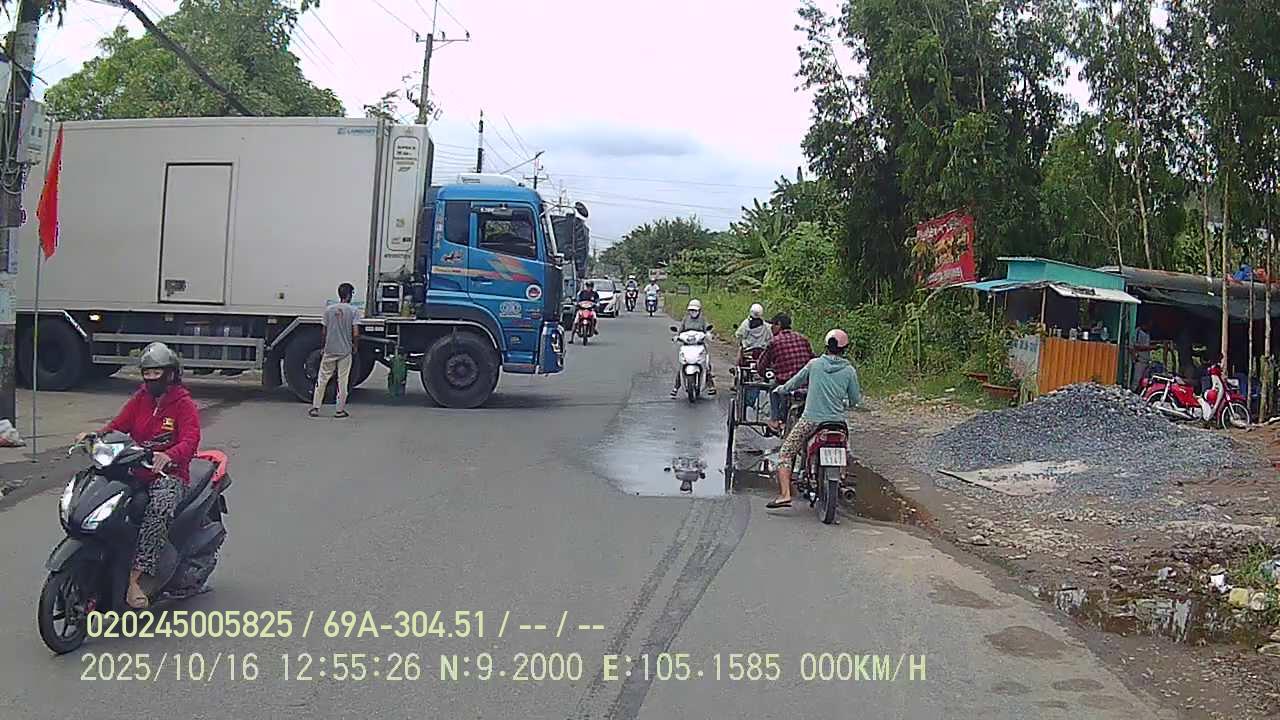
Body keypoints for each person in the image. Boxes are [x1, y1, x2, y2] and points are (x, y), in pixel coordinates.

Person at [76, 342, 200, 609]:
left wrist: (170, 455)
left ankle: (136, 580)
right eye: (147, 373)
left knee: (159, 508)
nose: (152, 378)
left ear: (170, 374)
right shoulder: (140, 399)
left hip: (169, 475)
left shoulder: (183, 404)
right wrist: (95, 436)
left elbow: (191, 440)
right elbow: (118, 426)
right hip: (137, 469)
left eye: (157, 373)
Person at [766, 329, 861, 509]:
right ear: (845, 349)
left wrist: (781, 389)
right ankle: (841, 475)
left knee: (785, 453)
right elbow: (855, 400)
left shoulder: (814, 365)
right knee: (846, 451)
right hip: (837, 423)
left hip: (811, 421)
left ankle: (785, 495)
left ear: (826, 346)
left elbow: (794, 383)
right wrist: (844, 402)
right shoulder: (849, 371)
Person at [757, 313, 815, 432]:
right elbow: (812, 358)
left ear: (778, 325)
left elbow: (761, 366)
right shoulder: (803, 339)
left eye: (773, 325)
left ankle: (775, 420)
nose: (771, 328)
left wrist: (762, 373)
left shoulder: (774, 342)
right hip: (806, 383)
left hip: (787, 383)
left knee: (773, 387)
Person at [310, 282, 360, 419]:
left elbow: (324, 332)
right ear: (349, 295)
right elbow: (356, 333)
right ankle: (339, 410)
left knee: (322, 378)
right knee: (342, 380)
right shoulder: (353, 311)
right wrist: (355, 346)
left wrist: (323, 347)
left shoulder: (329, 310)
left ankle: (315, 407)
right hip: (345, 351)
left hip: (330, 349)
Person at [671, 299, 716, 397]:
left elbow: (707, 329)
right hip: (687, 346)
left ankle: (711, 385)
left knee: (706, 365)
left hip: (699, 345)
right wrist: (677, 336)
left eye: (695, 310)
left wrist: (708, 335)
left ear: (699, 310)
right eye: (691, 310)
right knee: (682, 364)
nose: (693, 312)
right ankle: (676, 387)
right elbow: (680, 331)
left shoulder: (702, 320)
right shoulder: (685, 319)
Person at [1131, 319, 1153, 390]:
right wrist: (1150, 347)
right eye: (1149, 325)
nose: (1150, 327)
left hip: (1146, 361)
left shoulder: (1147, 334)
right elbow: (1136, 346)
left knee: (1144, 381)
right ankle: (1132, 392)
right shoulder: (1138, 332)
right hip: (1140, 360)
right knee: (1136, 380)